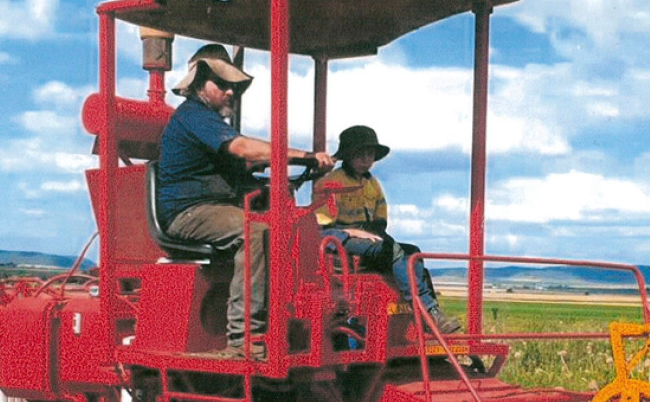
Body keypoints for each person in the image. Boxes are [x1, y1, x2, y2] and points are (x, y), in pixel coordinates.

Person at [157, 44, 333, 359]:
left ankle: (291, 322)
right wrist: (304, 156)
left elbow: (246, 162)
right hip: (188, 212)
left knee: (284, 226)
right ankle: (244, 340)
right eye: (221, 84)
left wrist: (283, 166)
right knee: (254, 231)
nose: (229, 92)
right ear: (199, 85)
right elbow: (242, 149)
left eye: (233, 87)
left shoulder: (212, 123)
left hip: (219, 206)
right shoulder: (194, 116)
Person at [314, 126, 460, 334]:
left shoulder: (372, 184)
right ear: (348, 155)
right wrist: (352, 232)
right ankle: (428, 313)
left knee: (413, 253)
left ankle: (425, 315)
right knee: (393, 251)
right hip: (338, 238)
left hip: (369, 235)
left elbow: (380, 220)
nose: (366, 159)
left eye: (370, 154)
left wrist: (375, 234)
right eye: (361, 154)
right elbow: (322, 227)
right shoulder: (331, 182)